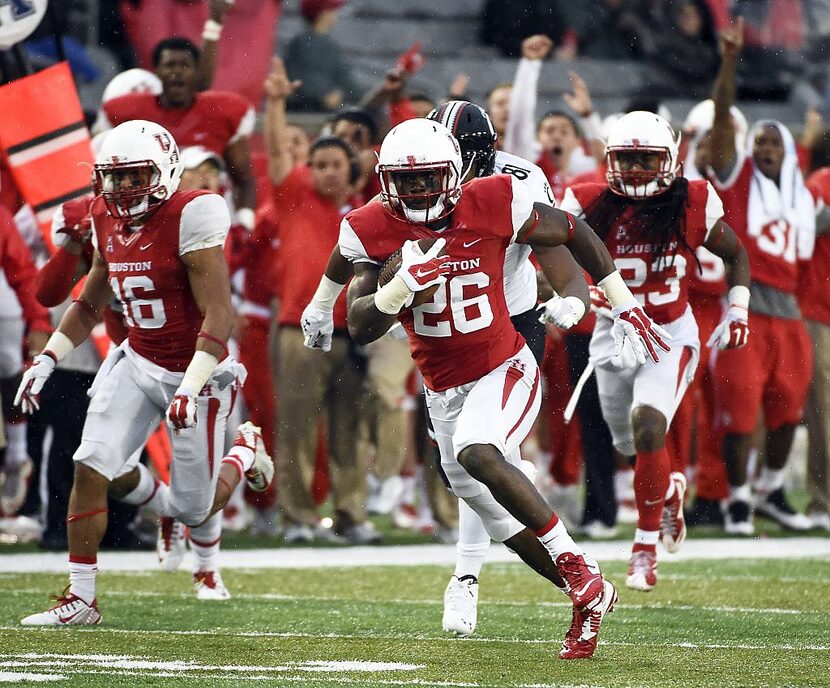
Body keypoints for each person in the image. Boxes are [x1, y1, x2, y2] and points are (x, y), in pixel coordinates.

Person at [340, 117, 671, 659]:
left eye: (429, 178)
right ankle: (587, 592)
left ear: (455, 172)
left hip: (504, 364)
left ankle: (580, 570)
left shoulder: (494, 198)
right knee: (498, 516)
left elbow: (573, 230)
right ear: (385, 181)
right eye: (407, 180)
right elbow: (358, 325)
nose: (419, 191)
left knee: (479, 450)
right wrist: (396, 289)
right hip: (441, 387)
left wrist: (622, 299)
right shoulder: (371, 226)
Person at [14, 120, 273, 625]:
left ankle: (244, 453)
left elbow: (220, 314)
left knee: (196, 509)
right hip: (137, 359)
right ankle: (82, 598)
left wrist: (192, 387)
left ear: (165, 172)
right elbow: (89, 303)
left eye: (135, 177)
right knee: (90, 464)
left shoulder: (192, 214)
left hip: (197, 372)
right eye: (115, 177)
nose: (124, 189)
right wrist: (46, 360)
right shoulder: (103, 217)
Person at [561, 110, 750, 591]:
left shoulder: (694, 201)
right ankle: (667, 491)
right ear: (610, 159)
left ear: (670, 159)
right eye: (629, 159)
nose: (639, 169)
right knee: (630, 447)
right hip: (612, 334)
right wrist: (571, 293)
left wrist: (738, 307)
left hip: (668, 335)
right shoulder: (586, 199)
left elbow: (735, 253)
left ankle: (644, 548)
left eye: (648, 158)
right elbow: (553, 258)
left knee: (649, 429)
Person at [247, 59, 378, 545]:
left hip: (354, 331)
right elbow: (280, 153)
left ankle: (350, 515)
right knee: (296, 427)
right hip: (297, 330)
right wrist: (276, 102)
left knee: (350, 429)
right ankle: (299, 519)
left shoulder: (367, 208)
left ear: (352, 172)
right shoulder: (296, 195)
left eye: (333, 166)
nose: (323, 172)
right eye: (318, 164)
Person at [707, 19, 815, 535]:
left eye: (777, 143)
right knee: (740, 411)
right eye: (763, 141)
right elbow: (724, 118)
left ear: (789, 152)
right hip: (746, 303)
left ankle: (771, 489)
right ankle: (738, 498)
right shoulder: (737, 174)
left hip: (790, 309)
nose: (768, 149)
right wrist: (729, 62)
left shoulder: (799, 194)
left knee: (788, 411)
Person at [94, 37, 257, 235]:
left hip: (207, 219)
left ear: (197, 71)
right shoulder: (130, 112)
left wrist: (245, 222)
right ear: (156, 71)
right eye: (170, 65)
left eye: (185, 65)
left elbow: (244, 177)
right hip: (148, 218)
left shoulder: (221, 112)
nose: (177, 72)